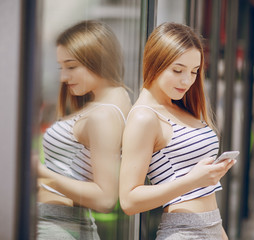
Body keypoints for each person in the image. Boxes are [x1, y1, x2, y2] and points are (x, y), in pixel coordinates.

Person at [119, 22, 236, 240]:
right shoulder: (144, 117)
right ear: (155, 62)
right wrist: (193, 180)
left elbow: (203, 190)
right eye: (177, 70)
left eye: (194, 71)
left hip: (212, 226)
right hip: (183, 232)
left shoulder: (178, 106)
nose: (187, 80)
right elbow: (129, 200)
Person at [37, 20, 132, 239]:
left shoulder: (104, 114)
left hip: (57, 227)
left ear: (98, 59)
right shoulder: (108, 103)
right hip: (56, 224)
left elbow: (105, 199)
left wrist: (40, 174)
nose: (63, 77)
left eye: (71, 67)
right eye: (61, 67)